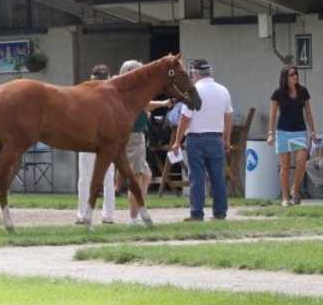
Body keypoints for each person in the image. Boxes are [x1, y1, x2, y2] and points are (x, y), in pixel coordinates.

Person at [171, 59, 233, 221]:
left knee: (197, 178)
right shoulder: (223, 90)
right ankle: (220, 212)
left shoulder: (193, 92)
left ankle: (197, 213)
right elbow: (228, 118)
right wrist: (226, 139)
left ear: (195, 73)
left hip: (195, 138)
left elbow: (185, 119)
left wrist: (178, 140)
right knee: (218, 177)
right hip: (216, 138)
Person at [119, 60, 172, 226]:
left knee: (146, 175)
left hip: (135, 136)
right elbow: (144, 105)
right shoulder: (130, 88)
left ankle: (140, 213)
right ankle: (134, 219)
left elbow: (142, 107)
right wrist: (163, 104)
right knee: (136, 177)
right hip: (133, 137)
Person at [268, 65, 316, 207]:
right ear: (285, 77)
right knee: (285, 166)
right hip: (283, 131)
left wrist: (312, 131)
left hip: (300, 131)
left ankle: (295, 188)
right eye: (292, 74)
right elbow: (273, 114)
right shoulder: (278, 93)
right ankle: (285, 197)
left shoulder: (303, 91)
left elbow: (308, 112)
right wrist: (270, 133)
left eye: (296, 73)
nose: (295, 76)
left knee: (302, 161)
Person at [77, 64, 116, 225]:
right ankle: (108, 216)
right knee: (107, 178)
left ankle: (83, 214)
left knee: (86, 178)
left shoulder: (84, 93)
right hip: (105, 140)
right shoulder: (113, 94)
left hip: (89, 139)